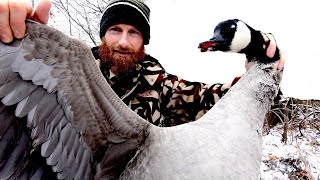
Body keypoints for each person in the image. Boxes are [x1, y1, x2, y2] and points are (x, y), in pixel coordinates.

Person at [0, 0, 284, 126]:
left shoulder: (161, 86)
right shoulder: (61, 76)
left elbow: (217, 100)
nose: (123, 42)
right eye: (115, 30)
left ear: (143, 41)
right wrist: (16, 45)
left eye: (133, 32)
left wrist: (259, 73)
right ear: (103, 36)